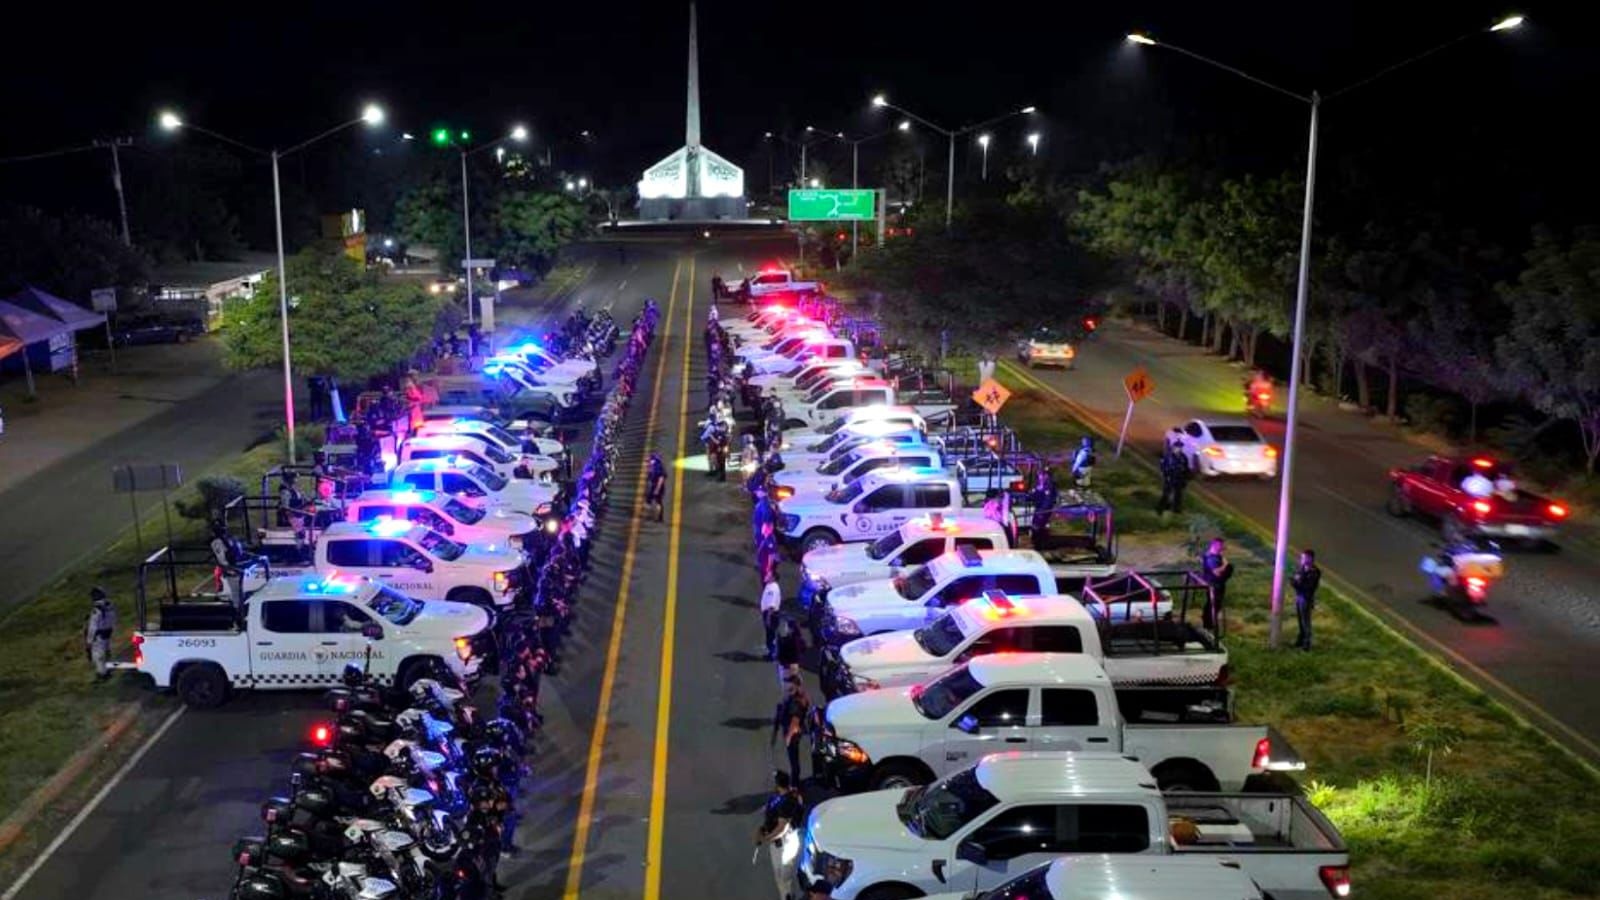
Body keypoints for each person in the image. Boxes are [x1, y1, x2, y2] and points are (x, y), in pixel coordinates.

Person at [754, 770, 804, 900]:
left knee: (785, 876)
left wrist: (765, 838)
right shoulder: (778, 797)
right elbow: (768, 813)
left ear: (778, 784)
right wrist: (763, 828)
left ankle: (788, 896)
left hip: (785, 843)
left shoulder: (788, 801)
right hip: (776, 843)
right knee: (779, 876)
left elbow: (782, 828)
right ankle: (786, 895)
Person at [770, 676, 812, 785]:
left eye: (789, 683)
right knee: (794, 759)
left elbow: (795, 721)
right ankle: (795, 782)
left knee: (793, 760)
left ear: (795, 685)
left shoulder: (796, 702)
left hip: (793, 734)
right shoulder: (797, 697)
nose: (786, 685)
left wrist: (788, 737)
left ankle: (795, 784)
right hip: (793, 731)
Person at [1199, 537, 1233, 633]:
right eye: (1221, 545)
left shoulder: (1216, 556)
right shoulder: (1211, 558)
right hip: (1214, 584)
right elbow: (1216, 572)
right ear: (1215, 545)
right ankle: (1208, 625)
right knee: (1213, 604)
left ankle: (1209, 625)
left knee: (1214, 604)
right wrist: (1225, 565)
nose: (1223, 547)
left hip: (1217, 583)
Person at [1291, 549, 1322, 651]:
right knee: (1300, 620)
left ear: (1310, 559)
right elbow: (1294, 580)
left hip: (1306, 599)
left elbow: (1308, 587)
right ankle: (1300, 640)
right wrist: (1296, 582)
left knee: (1305, 621)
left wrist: (1297, 582)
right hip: (1299, 597)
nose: (1301, 559)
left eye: (1304, 558)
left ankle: (1307, 643)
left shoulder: (1314, 572)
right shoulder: (1302, 569)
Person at [86, 587, 116, 681]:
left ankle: (102, 674)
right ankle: (108, 670)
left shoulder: (96, 609)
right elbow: (113, 619)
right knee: (106, 652)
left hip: (99, 635)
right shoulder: (109, 606)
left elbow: (93, 626)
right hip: (108, 632)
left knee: (98, 655)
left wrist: (89, 641)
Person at [1157, 445, 1191, 515]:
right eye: (1176, 448)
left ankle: (1176, 509)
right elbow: (1163, 466)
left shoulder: (1183, 457)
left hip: (1179, 478)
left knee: (1178, 494)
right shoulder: (1168, 456)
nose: (1178, 449)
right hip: (1170, 477)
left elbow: (1186, 468)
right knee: (1167, 493)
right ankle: (1162, 508)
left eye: (1180, 448)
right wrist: (1165, 475)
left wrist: (1186, 477)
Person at [760, 569, 782, 660]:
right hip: (770, 614)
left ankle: (772, 655)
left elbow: (771, 606)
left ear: (773, 578)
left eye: (768, 575)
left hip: (771, 615)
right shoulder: (770, 585)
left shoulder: (773, 589)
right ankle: (771, 653)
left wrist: (768, 617)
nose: (766, 576)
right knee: (770, 634)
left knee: (770, 636)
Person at [774, 614, 804, 683]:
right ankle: (794, 677)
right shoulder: (795, 635)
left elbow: (788, 644)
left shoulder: (794, 637)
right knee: (794, 666)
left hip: (793, 655)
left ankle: (795, 678)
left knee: (793, 666)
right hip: (794, 655)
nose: (786, 628)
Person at [646, 451, 667, 523]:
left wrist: (657, 489)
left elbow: (661, 478)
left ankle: (656, 517)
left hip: (656, 486)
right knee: (655, 501)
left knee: (656, 502)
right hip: (656, 486)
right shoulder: (658, 466)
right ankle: (658, 517)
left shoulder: (657, 467)